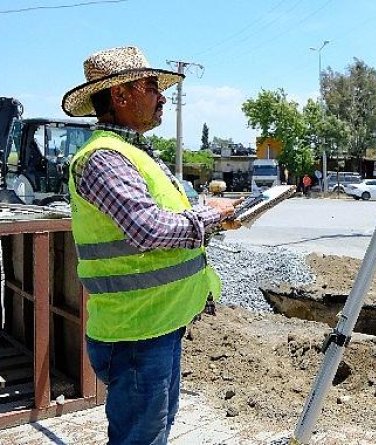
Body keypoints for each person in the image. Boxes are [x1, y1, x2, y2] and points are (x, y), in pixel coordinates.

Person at [62, 46, 242, 445]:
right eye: (152, 87)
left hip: (156, 324)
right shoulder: (102, 159)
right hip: (136, 332)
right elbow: (147, 229)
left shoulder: (131, 153)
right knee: (140, 438)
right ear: (120, 95)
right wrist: (213, 216)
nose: (162, 97)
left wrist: (208, 214)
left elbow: (161, 219)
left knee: (153, 431)